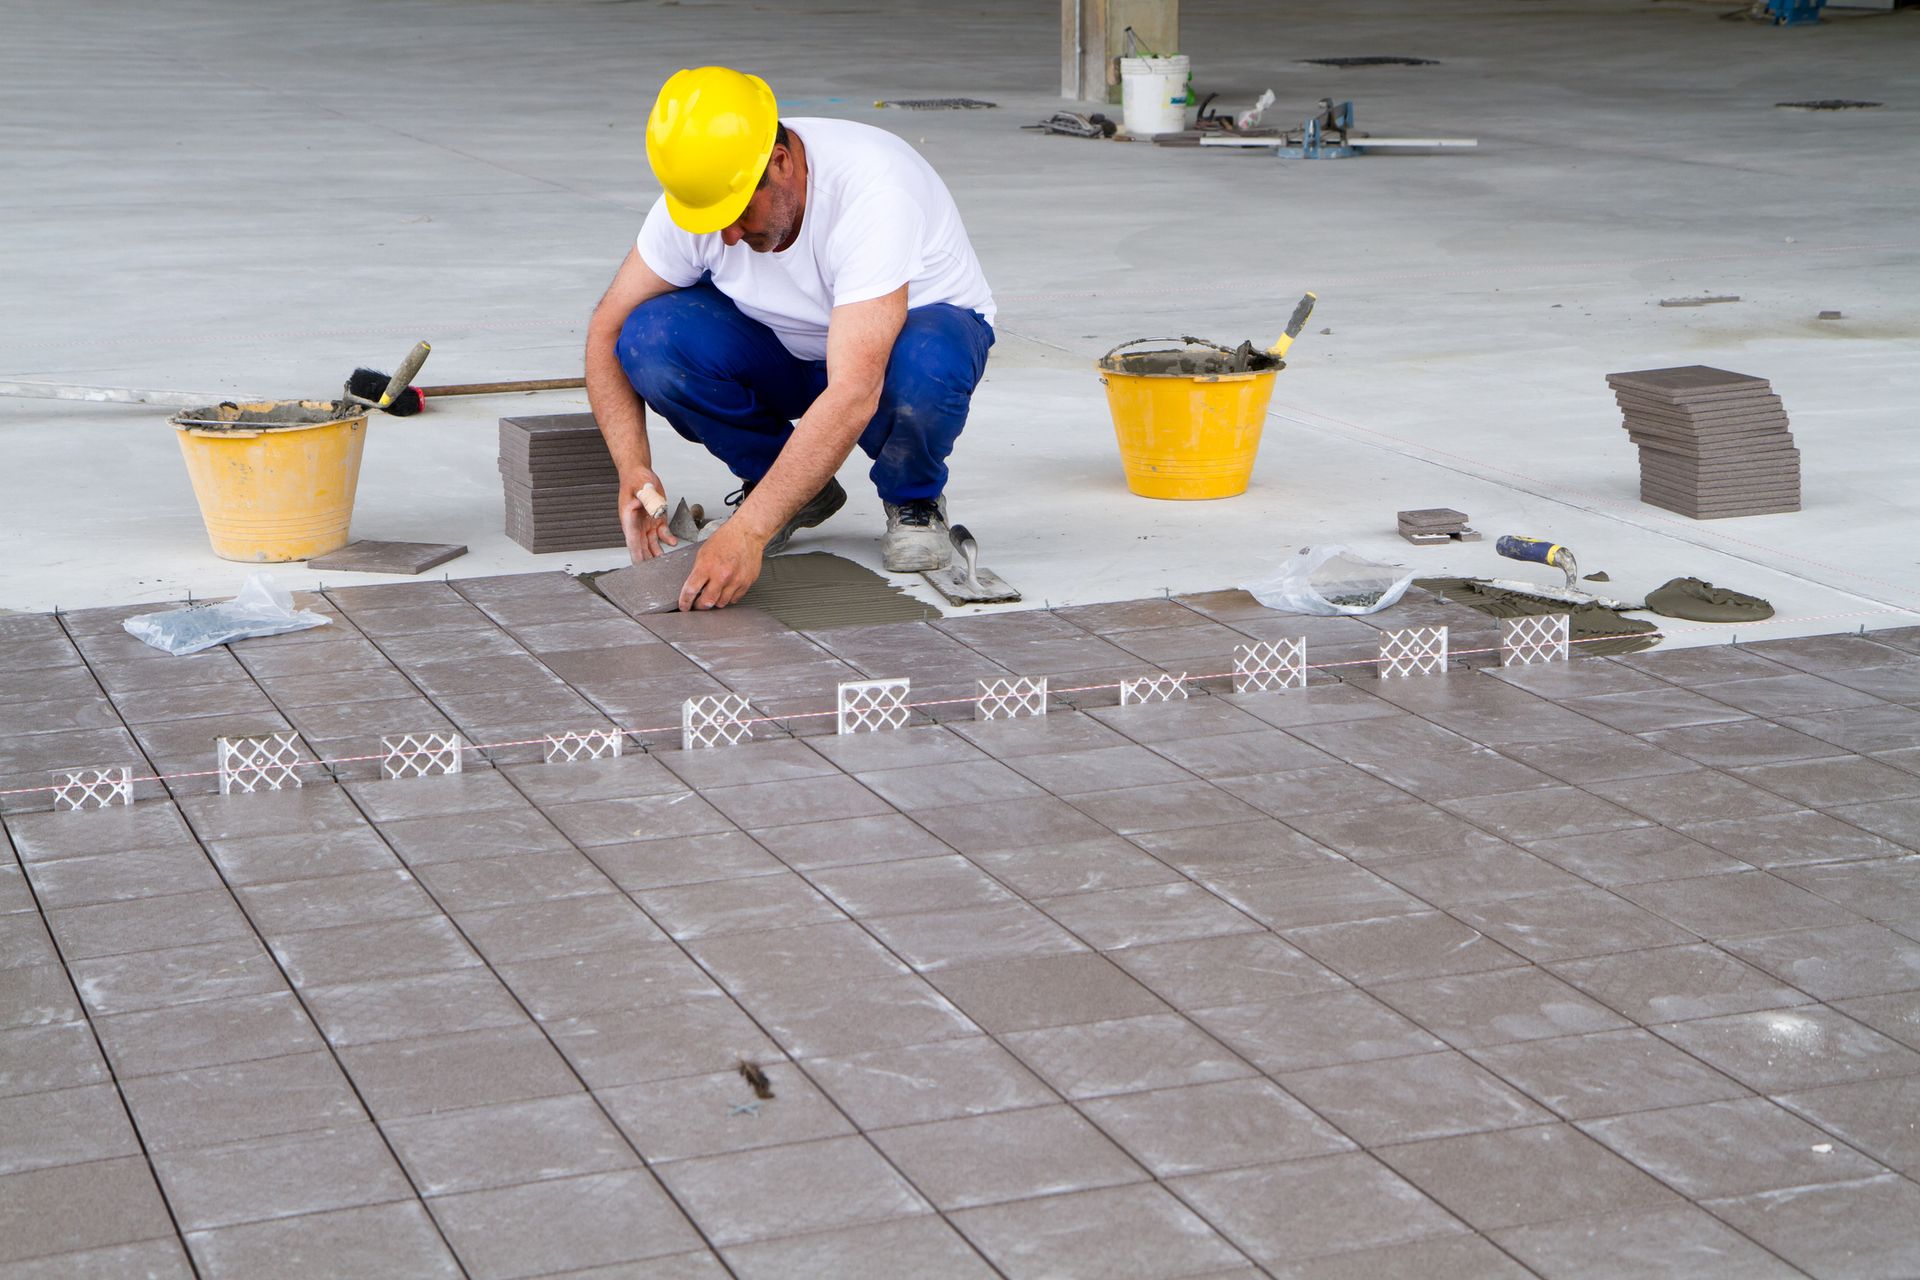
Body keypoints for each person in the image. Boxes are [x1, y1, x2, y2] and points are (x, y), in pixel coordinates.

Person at [584, 66, 997, 611]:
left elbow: (854, 390)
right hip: (785, 345)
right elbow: (606, 329)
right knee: (651, 339)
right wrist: (632, 467)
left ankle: (913, 498)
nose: (727, 235)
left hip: (903, 342)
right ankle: (786, 485)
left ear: (781, 163)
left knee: (925, 366)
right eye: (712, 222)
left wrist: (748, 535)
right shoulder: (704, 195)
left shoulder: (874, 191)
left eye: (736, 215)